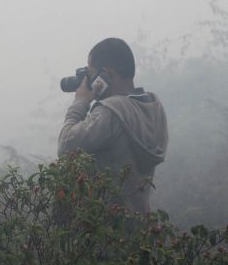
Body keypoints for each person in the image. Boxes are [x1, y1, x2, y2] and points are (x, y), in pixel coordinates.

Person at [57, 37, 168, 213]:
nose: (88, 80)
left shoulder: (111, 112)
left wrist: (81, 101)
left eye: (91, 74)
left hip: (107, 229)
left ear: (106, 75)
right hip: (140, 227)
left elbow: (66, 146)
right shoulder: (152, 107)